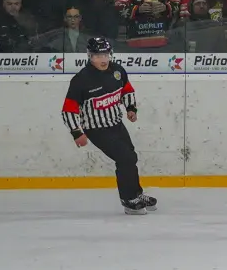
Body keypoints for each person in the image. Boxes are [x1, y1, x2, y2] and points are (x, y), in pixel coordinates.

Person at [61, 37, 157, 214]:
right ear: (90, 56)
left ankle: (136, 193)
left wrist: (130, 108)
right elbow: (68, 109)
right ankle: (128, 199)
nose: (103, 59)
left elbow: (126, 89)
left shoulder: (117, 71)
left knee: (131, 157)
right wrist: (77, 133)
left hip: (116, 124)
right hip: (96, 129)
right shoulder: (81, 79)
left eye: (106, 54)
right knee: (125, 159)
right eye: (98, 56)